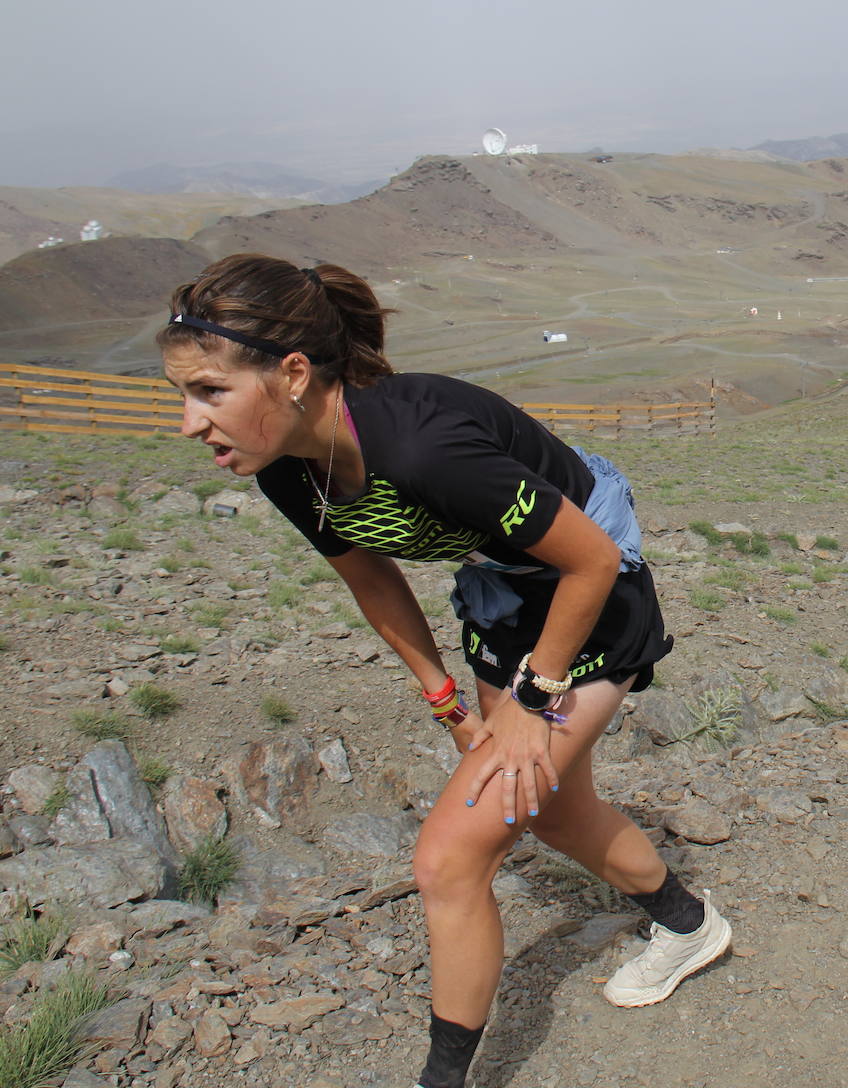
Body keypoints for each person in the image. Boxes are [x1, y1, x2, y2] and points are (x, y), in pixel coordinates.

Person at [158, 253, 732, 1088]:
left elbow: (593, 558)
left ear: (290, 375)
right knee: (551, 812)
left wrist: (532, 699)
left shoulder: (423, 448)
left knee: (450, 859)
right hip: (505, 591)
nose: (188, 422)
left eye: (208, 391)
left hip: (592, 591)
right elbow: (370, 575)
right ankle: (688, 925)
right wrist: (446, 702)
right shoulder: (285, 461)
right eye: (183, 395)